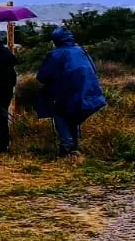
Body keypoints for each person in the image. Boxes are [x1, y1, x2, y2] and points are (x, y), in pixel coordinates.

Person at [36, 27, 106, 156]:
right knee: (73, 116)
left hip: (64, 90)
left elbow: (43, 76)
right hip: (87, 89)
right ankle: (74, 147)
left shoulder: (56, 54)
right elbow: (93, 68)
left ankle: (67, 147)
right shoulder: (80, 50)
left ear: (56, 40)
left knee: (60, 115)